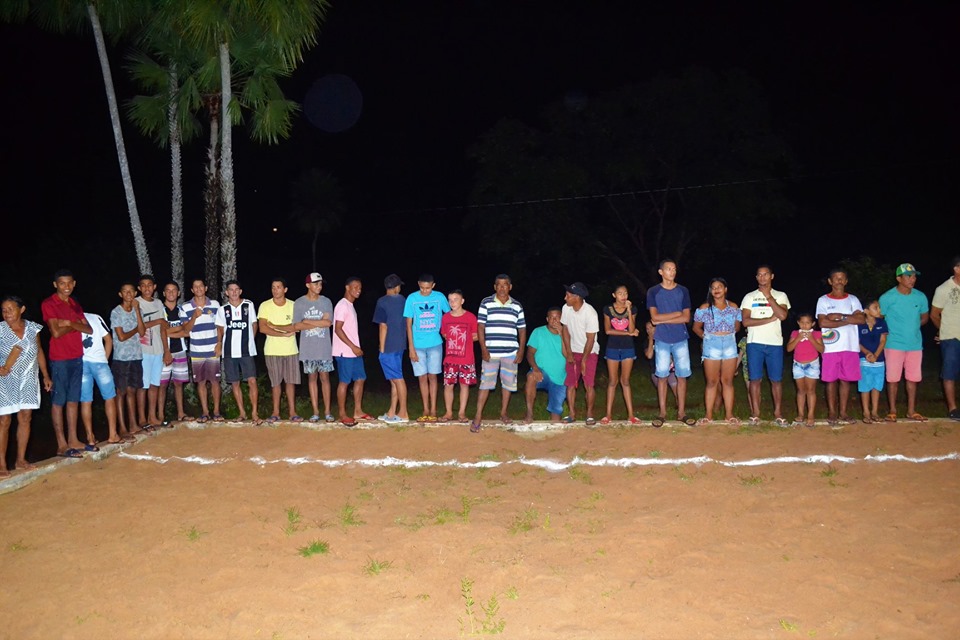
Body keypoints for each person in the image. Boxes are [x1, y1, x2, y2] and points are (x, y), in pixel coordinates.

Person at [41, 269, 92, 458]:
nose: (66, 287)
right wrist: (74, 324)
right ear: (55, 284)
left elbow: (88, 328)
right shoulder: (49, 303)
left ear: (74, 283)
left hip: (76, 356)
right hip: (60, 358)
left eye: (70, 283)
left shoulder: (74, 303)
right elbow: (54, 332)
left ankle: (73, 439)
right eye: (62, 283)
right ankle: (61, 444)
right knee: (58, 401)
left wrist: (68, 324)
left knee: (73, 400)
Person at [0, 296, 50, 475]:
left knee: (26, 417)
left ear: (21, 310)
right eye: (4, 310)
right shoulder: (0, 329)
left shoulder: (32, 328)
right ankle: (1, 464)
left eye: (10, 309)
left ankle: (20, 460)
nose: (6, 314)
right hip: (5, 380)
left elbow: (39, 351)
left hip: (29, 378)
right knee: (4, 420)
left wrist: (45, 375)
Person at [472, 275, 526, 430]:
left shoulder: (517, 305)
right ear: (494, 287)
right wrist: (483, 349)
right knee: (485, 384)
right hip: (491, 351)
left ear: (510, 287)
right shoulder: (486, 303)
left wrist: (521, 350)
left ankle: (503, 413)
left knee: (508, 383)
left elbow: (521, 329)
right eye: (499, 285)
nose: (502, 288)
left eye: (505, 285)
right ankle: (478, 416)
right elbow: (480, 327)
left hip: (510, 351)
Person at [740, 264, 791, 426]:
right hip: (754, 343)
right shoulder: (749, 297)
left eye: (765, 274)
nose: (762, 277)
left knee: (776, 380)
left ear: (772, 276)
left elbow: (782, 315)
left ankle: (778, 412)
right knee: (755, 380)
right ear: (756, 278)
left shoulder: (781, 295)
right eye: (759, 275)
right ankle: (755, 413)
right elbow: (745, 321)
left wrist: (769, 297)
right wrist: (768, 319)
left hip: (774, 343)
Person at [879, 263, 929, 422]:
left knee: (913, 378)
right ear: (898, 278)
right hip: (894, 343)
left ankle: (911, 410)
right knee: (893, 378)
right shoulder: (887, 298)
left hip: (914, 344)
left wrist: (912, 327)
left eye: (914, 276)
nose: (912, 279)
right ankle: (892, 410)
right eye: (909, 276)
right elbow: (880, 318)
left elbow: (924, 317)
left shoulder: (920, 296)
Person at [815, 268, 865, 425]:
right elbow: (823, 322)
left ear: (846, 281)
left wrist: (838, 317)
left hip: (849, 346)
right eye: (836, 278)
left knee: (845, 380)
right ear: (830, 281)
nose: (839, 281)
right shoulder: (823, 300)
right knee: (830, 380)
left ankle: (843, 412)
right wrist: (848, 321)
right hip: (831, 347)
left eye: (842, 278)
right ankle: (832, 412)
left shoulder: (853, 300)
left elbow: (861, 319)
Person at [647, 259, 693, 427]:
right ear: (661, 272)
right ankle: (662, 413)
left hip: (680, 338)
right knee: (662, 376)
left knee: (682, 376)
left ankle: (681, 413)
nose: (672, 272)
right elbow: (654, 318)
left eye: (674, 269)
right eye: (668, 269)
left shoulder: (683, 291)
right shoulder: (653, 292)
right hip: (662, 339)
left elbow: (687, 317)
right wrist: (676, 314)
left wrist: (663, 319)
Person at [692, 277, 742, 425]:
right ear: (710, 291)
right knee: (712, 382)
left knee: (727, 381)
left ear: (725, 289)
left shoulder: (733, 307)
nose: (716, 289)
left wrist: (728, 332)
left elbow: (738, 326)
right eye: (713, 287)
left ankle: (729, 415)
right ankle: (708, 415)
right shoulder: (704, 308)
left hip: (729, 345)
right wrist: (707, 338)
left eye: (719, 286)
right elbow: (696, 327)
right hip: (711, 345)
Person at [404, 274, 450, 422]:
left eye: (428, 288)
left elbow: (449, 316)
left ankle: (434, 409)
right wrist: (411, 347)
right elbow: (408, 324)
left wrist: (446, 333)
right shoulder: (411, 298)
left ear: (433, 285)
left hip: (435, 343)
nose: (425, 291)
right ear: (418, 284)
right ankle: (425, 409)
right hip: (417, 345)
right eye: (422, 288)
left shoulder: (439, 297)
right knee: (422, 377)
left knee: (433, 376)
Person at [180, 278, 225, 423]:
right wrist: (194, 317)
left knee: (215, 381)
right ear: (192, 290)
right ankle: (205, 412)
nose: (198, 289)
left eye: (201, 286)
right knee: (200, 382)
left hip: (213, 349)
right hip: (196, 350)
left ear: (205, 288)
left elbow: (220, 327)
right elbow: (185, 329)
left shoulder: (216, 305)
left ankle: (217, 412)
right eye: (195, 287)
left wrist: (219, 343)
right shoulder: (185, 307)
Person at [258, 278, 301, 422]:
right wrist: (284, 332)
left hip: (291, 350)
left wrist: (274, 326)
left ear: (285, 289)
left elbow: (296, 326)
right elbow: (263, 328)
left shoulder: (293, 305)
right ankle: (275, 412)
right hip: (272, 350)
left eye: (278, 287)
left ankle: (292, 412)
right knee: (275, 383)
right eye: (273, 287)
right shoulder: (265, 305)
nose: (275, 290)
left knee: (290, 382)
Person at [294, 273, 335, 423]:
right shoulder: (299, 303)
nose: (319, 286)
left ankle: (328, 412)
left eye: (320, 284)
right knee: (312, 378)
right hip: (308, 348)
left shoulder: (326, 301)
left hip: (323, 348)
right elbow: (297, 325)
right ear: (308, 285)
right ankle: (316, 412)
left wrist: (307, 321)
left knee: (325, 378)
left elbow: (328, 323)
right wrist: (318, 321)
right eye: (316, 284)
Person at [111, 282, 148, 436]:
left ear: (135, 294)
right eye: (125, 291)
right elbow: (121, 336)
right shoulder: (116, 312)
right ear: (120, 294)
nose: (128, 294)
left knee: (132, 390)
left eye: (131, 291)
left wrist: (137, 310)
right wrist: (134, 330)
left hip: (136, 356)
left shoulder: (136, 310)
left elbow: (142, 331)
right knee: (121, 392)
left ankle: (133, 424)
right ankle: (122, 427)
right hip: (121, 358)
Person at [80, 311, 122, 446]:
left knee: (86, 401)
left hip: (81, 363)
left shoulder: (69, 319)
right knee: (109, 398)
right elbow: (108, 340)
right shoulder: (95, 317)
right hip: (99, 363)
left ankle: (90, 437)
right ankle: (112, 434)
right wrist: (104, 360)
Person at [560, 281, 600, 425]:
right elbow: (564, 329)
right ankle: (571, 413)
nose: (565, 298)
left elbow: (590, 339)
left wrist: (584, 360)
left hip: (590, 352)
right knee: (570, 383)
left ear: (577, 297)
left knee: (589, 384)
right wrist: (569, 352)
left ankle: (589, 414)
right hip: (574, 350)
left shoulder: (590, 313)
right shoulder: (566, 308)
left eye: (568, 295)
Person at [372, 274, 409, 424]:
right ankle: (392, 412)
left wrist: (381, 348)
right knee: (394, 380)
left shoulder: (382, 301)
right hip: (400, 345)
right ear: (395, 288)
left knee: (398, 379)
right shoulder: (403, 300)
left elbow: (383, 325)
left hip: (389, 347)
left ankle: (403, 413)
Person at [222, 280, 260, 424]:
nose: (234, 292)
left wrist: (250, 341)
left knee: (252, 381)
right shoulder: (223, 309)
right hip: (229, 352)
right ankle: (242, 413)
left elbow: (254, 324)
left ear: (240, 291)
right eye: (231, 290)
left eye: (236, 289)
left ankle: (254, 413)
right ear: (226, 292)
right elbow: (221, 329)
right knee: (235, 383)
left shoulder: (248, 305)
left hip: (246, 351)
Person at [332, 277, 368, 426]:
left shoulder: (350, 305)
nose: (358, 289)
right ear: (347, 288)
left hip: (354, 351)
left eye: (360, 287)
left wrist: (355, 348)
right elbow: (337, 329)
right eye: (355, 287)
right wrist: (353, 346)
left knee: (360, 378)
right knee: (344, 382)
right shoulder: (342, 305)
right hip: (344, 351)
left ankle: (358, 411)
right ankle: (342, 414)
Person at [602, 285, 640, 424]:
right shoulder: (608, 309)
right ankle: (608, 415)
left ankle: (631, 415)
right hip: (612, 347)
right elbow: (607, 331)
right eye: (620, 293)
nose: (623, 296)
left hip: (628, 348)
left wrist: (629, 311)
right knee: (612, 381)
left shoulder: (633, 308)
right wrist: (628, 333)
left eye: (625, 293)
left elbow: (632, 328)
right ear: (614, 295)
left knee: (625, 381)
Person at [440, 290, 478, 425]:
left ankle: (461, 412)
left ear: (462, 301)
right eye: (450, 300)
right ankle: (448, 412)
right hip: (450, 358)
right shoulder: (445, 318)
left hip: (466, 358)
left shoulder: (471, 317)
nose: (452, 302)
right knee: (448, 385)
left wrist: (463, 340)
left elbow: (476, 336)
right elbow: (444, 334)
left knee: (464, 385)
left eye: (456, 299)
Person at [524, 307, 567, 424]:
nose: (554, 320)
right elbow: (530, 353)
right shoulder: (538, 332)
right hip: (542, 373)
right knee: (531, 377)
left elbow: (568, 355)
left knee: (556, 417)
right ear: (547, 319)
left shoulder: (567, 333)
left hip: (560, 377)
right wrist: (535, 369)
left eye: (557, 317)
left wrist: (562, 335)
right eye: (552, 317)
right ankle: (529, 413)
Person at [930, 256, 960, 421]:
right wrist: (944, 330)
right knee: (949, 373)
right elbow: (934, 314)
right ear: (956, 269)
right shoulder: (943, 289)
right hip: (951, 337)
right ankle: (953, 409)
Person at [136, 274, 167, 429]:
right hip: (143, 349)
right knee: (143, 385)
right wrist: (158, 321)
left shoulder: (159, 303)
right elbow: (137, 327)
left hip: (158, 350)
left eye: (150, 285)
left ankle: (152, 416)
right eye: (143, 285)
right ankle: (142, 418)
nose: (147, 288)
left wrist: (166, 350)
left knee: (155, 384)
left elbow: (163, 328)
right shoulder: (136, 303)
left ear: (154, 287)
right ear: (139, 288)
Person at [158, 281, 190, 422]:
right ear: (164, 293)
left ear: (178, 293)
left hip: (180, 351)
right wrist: (178, 329)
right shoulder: (160, 310)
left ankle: (181, 413)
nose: (171, 293)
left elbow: (187, 331)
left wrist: (167, 331)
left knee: (178, 383)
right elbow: (160, 332)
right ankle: (159, 416)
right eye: (168, 290)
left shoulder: (181, 310)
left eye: (174, 290)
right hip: (163, 352)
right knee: (162, 384)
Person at [787, 312, 824, 428]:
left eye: (807, 323)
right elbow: (789, 348)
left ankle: (811, 415)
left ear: (812, 324)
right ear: (798, 323)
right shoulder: (794, 333)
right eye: (802, 322)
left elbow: (822, 349)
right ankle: (801, 414)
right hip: (798, 365)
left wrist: (811, 339)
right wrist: (798, 338)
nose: (804, 325)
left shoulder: (817, 334)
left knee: (811, 390)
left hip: (812, 364)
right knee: (801, 390)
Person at [858, 300, 888, 423]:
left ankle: (874, 411)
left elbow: (883, 341)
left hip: (879, 360)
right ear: (866, 311)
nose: (879, 310)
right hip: (864, 360)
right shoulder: (859, 324)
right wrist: (867, 353)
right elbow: (856, 341)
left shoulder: (882, 322)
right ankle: (866, 412)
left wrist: (875, 355)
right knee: (865, 386)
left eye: (879, 307)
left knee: (877, 386)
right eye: (875, 307)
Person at [644, 321, 678, 399]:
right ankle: (663, 409)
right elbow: (649, 355)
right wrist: (651, 340)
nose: (649, 330)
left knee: (675, 386)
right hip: (656, 371)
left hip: (670, 369)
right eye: (647, 329)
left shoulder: (666, 338)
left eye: (651, 328)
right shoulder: (647, 342)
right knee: (662, 389)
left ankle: (680, 406)